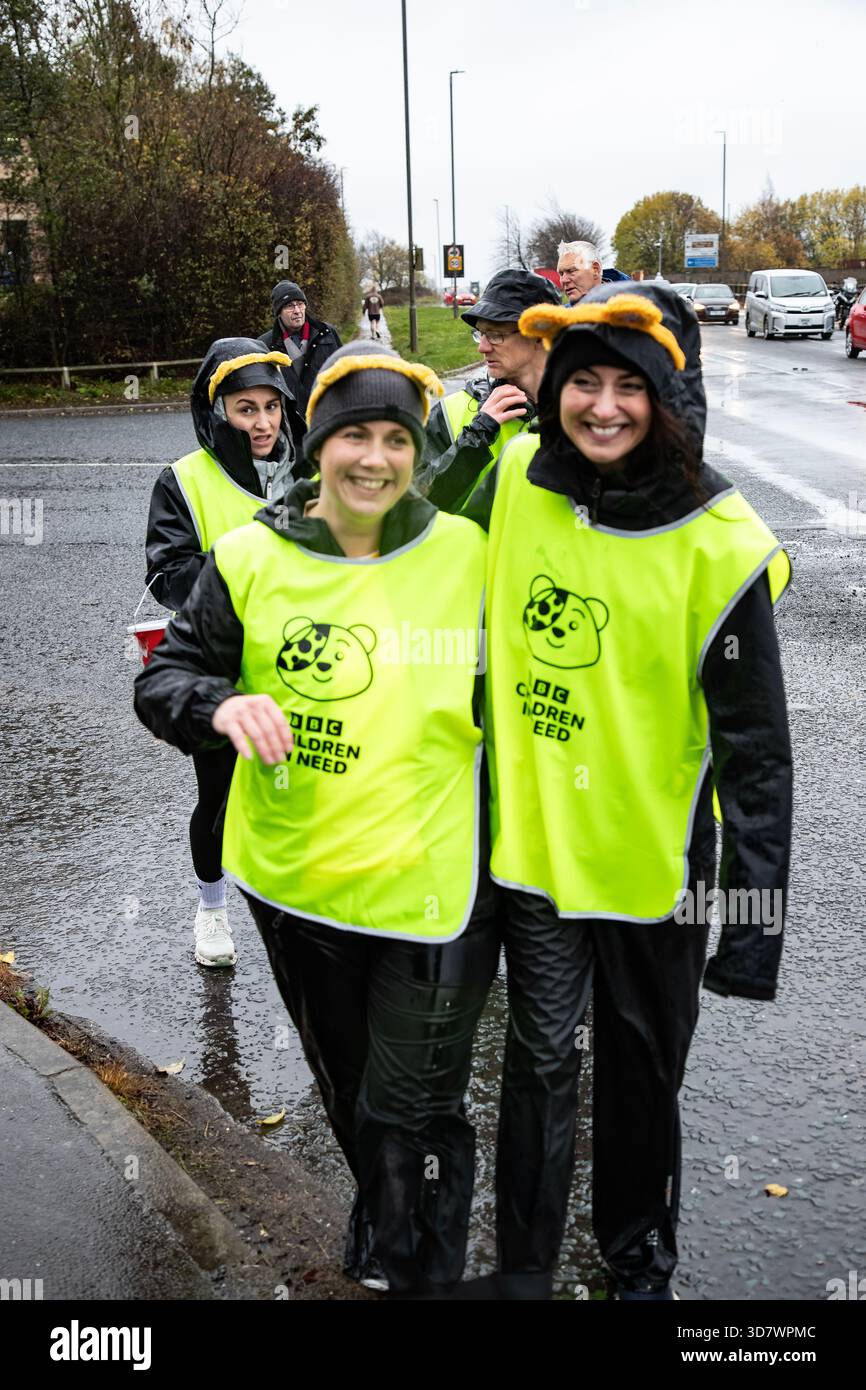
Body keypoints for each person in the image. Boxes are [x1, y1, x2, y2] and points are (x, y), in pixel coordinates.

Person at [134, 340, 500, 1297]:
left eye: (394, 439)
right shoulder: (251, 555)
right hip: (296, 887)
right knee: (350, 1094)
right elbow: (167, 676)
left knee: (418, 1104)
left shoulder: (467, 554)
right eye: (352, 436)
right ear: (318, 444)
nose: (373, 458)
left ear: (418, 453)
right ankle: (385, 1231)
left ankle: (420, 1270)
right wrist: (216, 705)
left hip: (432, 884)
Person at [463, 281, 793, 1299]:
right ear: (552, 385)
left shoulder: (719, 541)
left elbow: (756, 754)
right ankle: (521, 1267)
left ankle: (637, 1262)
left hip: (656, 874)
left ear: (666, 396)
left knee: (643, 1075)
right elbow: (400, 537)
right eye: (583, 382)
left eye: (627, 386)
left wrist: (749, 926)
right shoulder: (516, 479)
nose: (601, 406)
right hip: (535, 858)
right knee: (539, 1065)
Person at [145, 338, 312, 968]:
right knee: (218, 798)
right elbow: (168, 573)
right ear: (219, 413)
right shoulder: (183, 480)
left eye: (272, 406)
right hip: (222, 678)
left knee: (306, 788)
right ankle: (212, 908)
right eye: (246, 409)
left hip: (306, 666)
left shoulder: (311, 469)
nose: (264, 422)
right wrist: (247, 571)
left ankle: (301, 910)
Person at [416, 268, 562, 512]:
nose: (482, 348)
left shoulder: (585, 413)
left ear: (540, 334)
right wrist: (474, 439)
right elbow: (412, 505)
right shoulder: (453, 413)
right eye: (481, 334)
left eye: (495, 335)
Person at [260, 279, 342, 416]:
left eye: (300, 304)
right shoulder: (265, 345)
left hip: (328, 413)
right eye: (290, 306)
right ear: (279, 312)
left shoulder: (327, 332)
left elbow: (343, 371)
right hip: (291, 420)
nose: (297, 310)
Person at [556, 239, 630, 304]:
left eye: (571, 271)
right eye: (561, 274)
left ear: (595, 269)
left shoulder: (633, 310)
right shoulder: (559, 317)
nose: (564, 280)